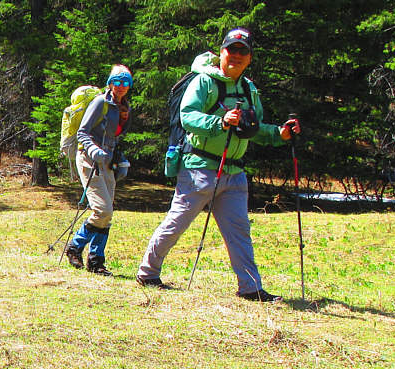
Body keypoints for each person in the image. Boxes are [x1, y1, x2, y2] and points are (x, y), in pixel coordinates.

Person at [136, 28, 301, 301]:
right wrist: (221, 122)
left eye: (242, 51)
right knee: (176, 223)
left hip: (234, 172)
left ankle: (250, 288)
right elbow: (188, 116)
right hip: (199, 168)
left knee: (239, 231)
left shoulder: (249, 89)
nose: (236, 55)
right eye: (231, 49)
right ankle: (148, 272)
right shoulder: (204, 82)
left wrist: (279, 134)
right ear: (222, 52)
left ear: (249, 57)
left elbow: (254, 128)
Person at [64, 65, 133, 276]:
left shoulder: (124, 108)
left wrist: (119, 160)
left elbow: (115, 137)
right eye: (117, 82)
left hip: (108, 162)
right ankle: (75, 247)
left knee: (106, 215)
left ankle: (95, 261)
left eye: (126, 83)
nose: (121, 87)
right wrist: (94, 150)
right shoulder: (100, 103)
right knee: (102, 210)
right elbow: (83, 133)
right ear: (110, 83)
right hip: (89, 159)